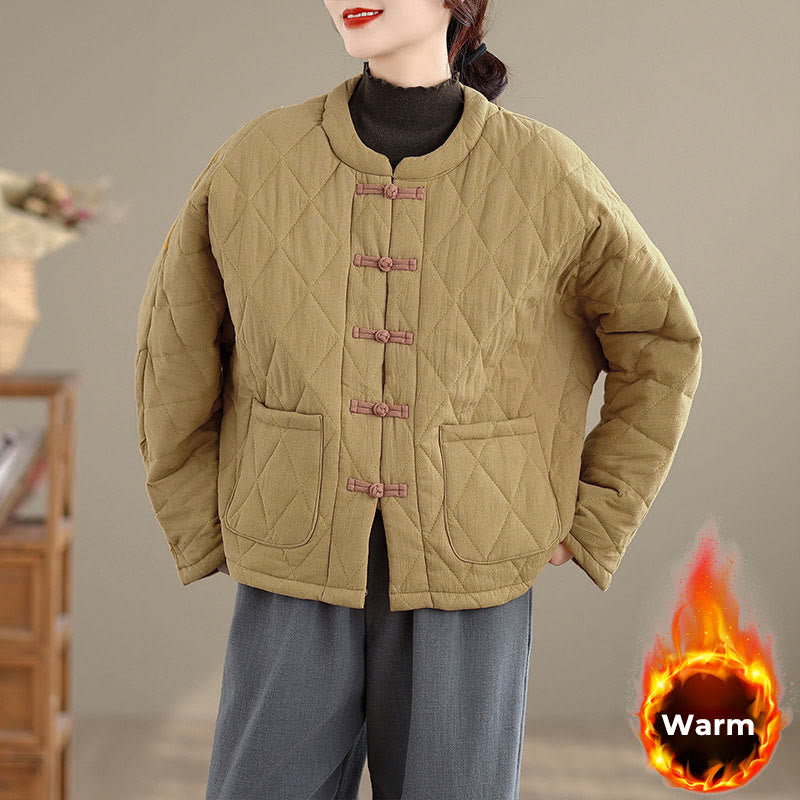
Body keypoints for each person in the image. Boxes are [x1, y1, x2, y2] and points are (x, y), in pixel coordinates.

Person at [134, 1, 703, 798]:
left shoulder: (547, 174)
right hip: (292, 563)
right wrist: (204, 519)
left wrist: (597, 512)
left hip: (471, 569)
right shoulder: (256, 161)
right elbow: (174, 343)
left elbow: (661, 341)